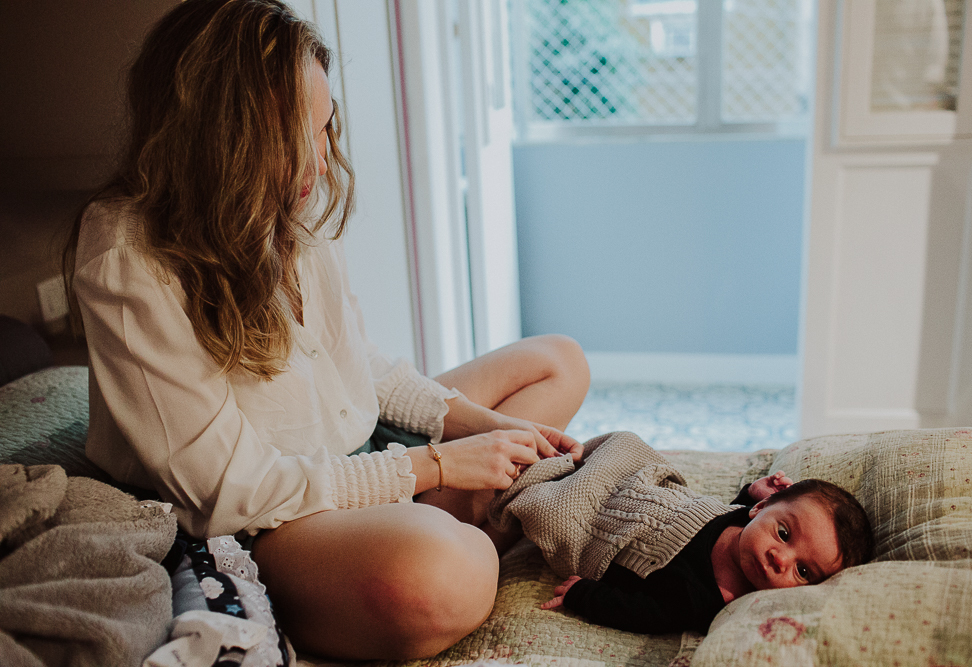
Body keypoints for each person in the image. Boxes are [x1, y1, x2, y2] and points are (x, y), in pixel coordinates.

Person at [62, 0, 589, 660]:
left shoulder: (289, 209)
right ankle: (441, 525)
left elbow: (357, 369)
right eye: (296, 138)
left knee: (560, 361)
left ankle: (443, 514)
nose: (319, 159)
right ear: (226, 140)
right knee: (449, 578)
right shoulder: (127, 255)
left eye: (324, 127)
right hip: (271, 516)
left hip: (354, 448)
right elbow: (230, 490)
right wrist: (433, 465)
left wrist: (483, 427)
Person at [539, 471, 875, 635]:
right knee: (620, 448)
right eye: (784, 533)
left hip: (600, 530)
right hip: (641, 492)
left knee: (547, 509)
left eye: (803, 572)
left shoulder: (703, 599)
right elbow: (725, 512)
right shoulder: (744, 518)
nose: (780, 559)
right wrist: (752, 491)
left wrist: (582, 594)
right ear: (758, 509)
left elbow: (640, 611)